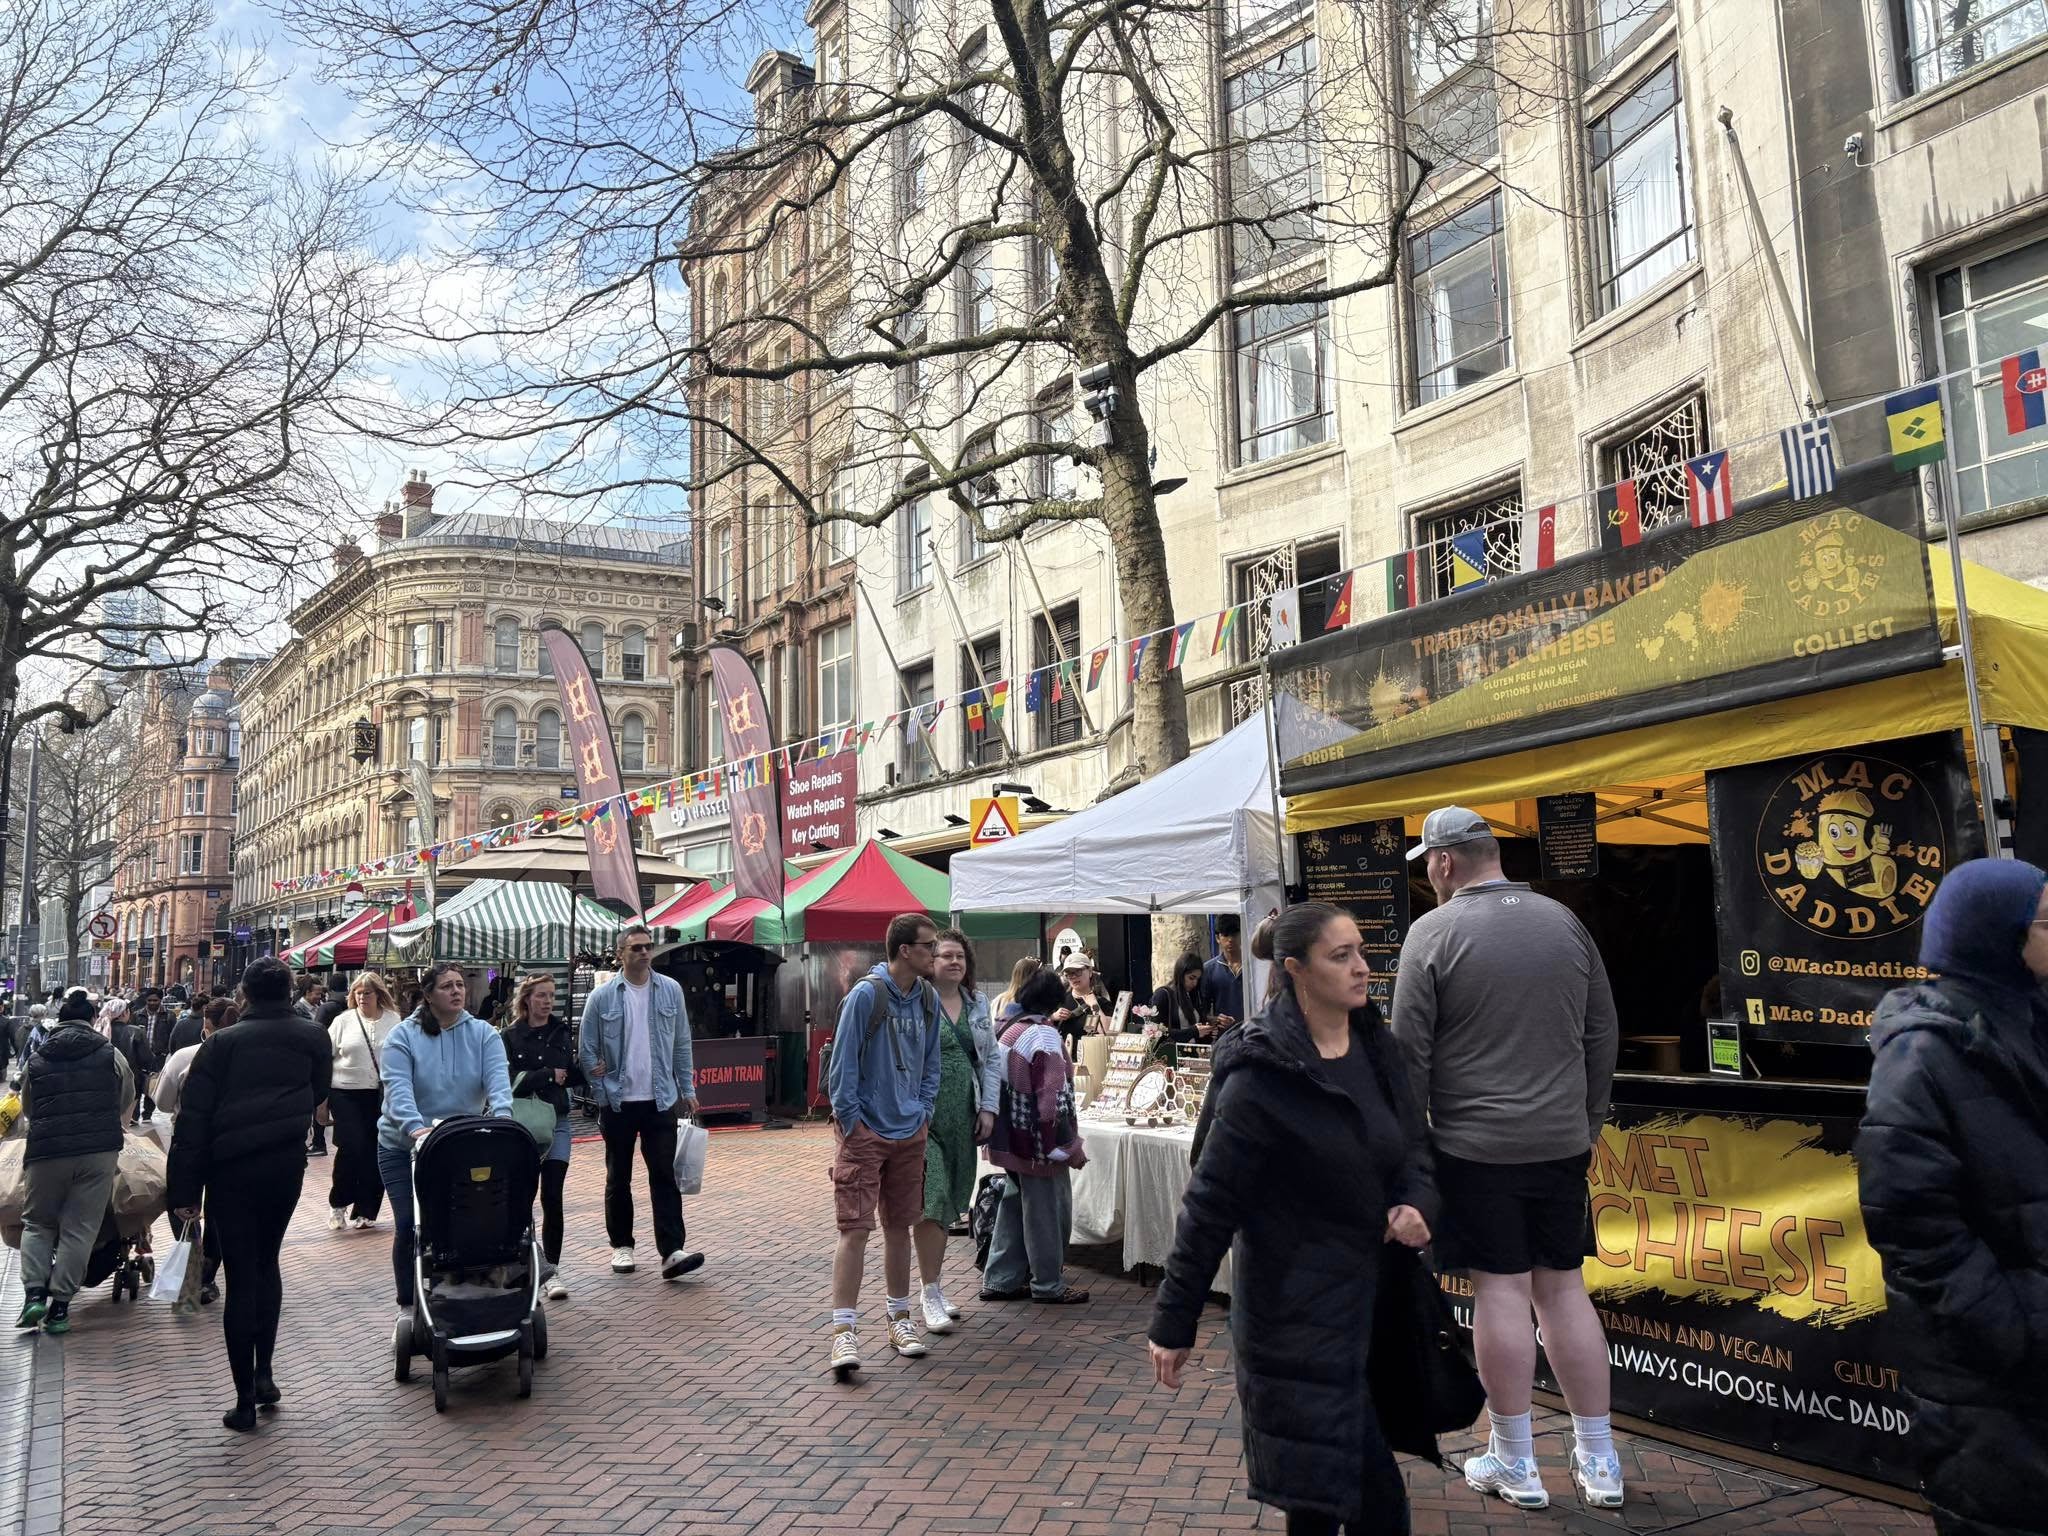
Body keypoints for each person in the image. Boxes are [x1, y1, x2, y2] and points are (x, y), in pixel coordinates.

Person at [1149, 903, 1440, 1536]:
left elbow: (1413, 1149)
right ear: (1295, 970)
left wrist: (1417, 1203)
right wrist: (1175, 1319)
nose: (1363, 968)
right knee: (1373, 1499)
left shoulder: (1376, 1046)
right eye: (1342, 956)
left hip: (1375, 1306)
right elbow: (1210, 1203)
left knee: (1316, 1499)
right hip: (1295, 1317)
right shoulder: (1261, 1075)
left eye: (1361, 951)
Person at [1390, 806, 1621, 1511]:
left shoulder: (1432, 932)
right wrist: (1585, 1121)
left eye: (1427, 864)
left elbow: (1408, 1055)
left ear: (1444, 862)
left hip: (1474, 1146)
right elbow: (1602, 1029)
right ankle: (1600, 1458)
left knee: (1500, 1291)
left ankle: (1515, 1459)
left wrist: (1412, 1149)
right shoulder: (1563, 922)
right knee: (1563, 1288)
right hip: (1559, 1143)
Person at [1857, 858, 2048, 1536]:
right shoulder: (1922, 1055)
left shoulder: (2030, 1020)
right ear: (1998, 935)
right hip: (1988, 1377)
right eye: (2047, 921)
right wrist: (2016, 1325)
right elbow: (1909, 1220)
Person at [166, 959, 330, 1432]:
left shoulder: (220, 1044)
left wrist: (184, 1191)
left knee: (240, 1273)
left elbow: (193, 1122)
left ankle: (242, 1399)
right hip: (284, 1166)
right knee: (267, 1262)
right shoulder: (312, 1037)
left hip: (231, 1170)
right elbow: (318, 1089)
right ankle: (264, 1375)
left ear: (245, 994)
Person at [824, 912, 944, 1378]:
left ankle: (899, 1318)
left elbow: (931, 1062)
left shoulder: (927, 998)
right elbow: (842, 1066)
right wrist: (854, 1125)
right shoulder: (866, 996)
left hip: (909, 1131)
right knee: (854, 1229)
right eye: (928, 946)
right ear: (904, 951)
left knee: (900, 1226)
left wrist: (922, 1112)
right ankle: (843, 1331)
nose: (934, 953)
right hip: (867, 1133)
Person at [377, 962, 514, 1319]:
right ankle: (407, 1304)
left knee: (466, 1219)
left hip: (459, 1145)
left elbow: (499, 1083)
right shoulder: (403, 1037)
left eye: (460, 985)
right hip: (405, 1145)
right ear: (427, 995)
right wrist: (414, 1128)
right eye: (446, 986)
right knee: (410, 1223)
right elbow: (397, 1091)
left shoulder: (484, 1034)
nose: (456, 991)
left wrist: (502, 1119)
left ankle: (464, 1287)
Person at [577, 926, 701, 1280]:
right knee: (619, 1176)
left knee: (664, 1175)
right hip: (618, 1101)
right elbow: (586, 1050)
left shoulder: (670, 990)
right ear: (621, 954)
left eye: (648, 947)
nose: (645, 953)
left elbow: (681, 1043)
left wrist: (686, 1087)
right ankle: (622, 1245)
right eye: (636, 948)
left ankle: (672, 1250)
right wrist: (601, 1089)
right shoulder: (602, 998)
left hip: (659, 1098)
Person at [13, 996, 134, 1335]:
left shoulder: (38, 1057)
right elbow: (125, 1098)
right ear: (93, 1018)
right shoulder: (111, 1054)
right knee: (80, 1228)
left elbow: (28, 1107)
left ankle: (34, 1293)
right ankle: (60, 1308)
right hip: (98, 1152)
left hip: (47, 1151)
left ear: (59, 1020)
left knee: (37, 1222)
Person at [981, 967, 1089, 1305]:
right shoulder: (1043, 1035)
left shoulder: (1009, 1030)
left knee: (1015, 1206)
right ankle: (1047, 1283)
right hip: (1037, 1144)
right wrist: (1068, 1146)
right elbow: (1053, 1102)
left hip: (1010, 1139)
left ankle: (1001, 1278)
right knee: (1048, 1211)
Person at [911, 930, 1000, 1335]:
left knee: (952, 1202)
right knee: (933, 1198)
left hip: (964, 1113)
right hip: (923, 1117)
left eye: (960, 956)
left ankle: (936, 1283)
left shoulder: (978, 1003)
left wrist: (988, 1108)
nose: (953, 962)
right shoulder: (916, 999)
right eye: (945, 955)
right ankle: (928, 1293)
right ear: (931, 962)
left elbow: (992, 1059)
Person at [503, 971, 583, 1301]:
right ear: (526, 999)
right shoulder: (509, 1036)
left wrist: (586, 1071)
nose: (548, 1001)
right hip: (521, 1123)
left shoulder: (561, 1032)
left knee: (553, 1195)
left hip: (557, 1121)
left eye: (551, 995)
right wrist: (548, 1074)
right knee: (521, 1198)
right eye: (541, 995)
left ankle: (551, 1270)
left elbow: (571, 1074)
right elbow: (508, 1081)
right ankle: (522, 1268)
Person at [325, 973, 401, 1232]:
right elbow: (327, 1058)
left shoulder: (393, 1021)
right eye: (357, 992)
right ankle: (338, 1203)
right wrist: (322, 1102)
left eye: (367, 993)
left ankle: (367, 1209)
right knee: (352, 1146)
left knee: (375, 1151)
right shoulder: (342, 1021)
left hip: (380, 1094)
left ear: (378, 995)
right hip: (345, 1092)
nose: (361, 997)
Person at [105, 1000, 157, 1127]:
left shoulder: (101, 1029)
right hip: (132, 1080)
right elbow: (147, 1058)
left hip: (106, 1080)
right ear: (125, 1013)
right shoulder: (136, 1032)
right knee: (128, 1121)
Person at [1052, 950, 1111, 1053]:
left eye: (1078, 971)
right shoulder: (1059, 1001)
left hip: (1093, 1061)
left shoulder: (1102, 1003)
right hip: (1066, 1063)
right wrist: (1054, 1017)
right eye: (1069, 974)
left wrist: (1094, 1006)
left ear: (1090, 971)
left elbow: (1106, 1032)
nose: (1073, 977)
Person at [297, 978, 331, 1156]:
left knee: (317, 1106)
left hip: (317, 1063)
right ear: (307, 992)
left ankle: (318, 1141)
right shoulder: (298, 1010)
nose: (320, 996)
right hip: (307, 1063)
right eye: (317, 993)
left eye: (321, 993)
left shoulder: (320, 1008)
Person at [1150, 952, 1214, 1045]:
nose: (1194, 983)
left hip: (1193, 1053)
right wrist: (1193, 1032)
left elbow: (1197, 1030)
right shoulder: (1163, 995)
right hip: (1171, 1055)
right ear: (1181, 973)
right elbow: (1156, 1032)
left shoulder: (1194, 995)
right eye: (1191, 978)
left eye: (1198, 979)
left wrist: (1209, 1027)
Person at [137, 989, 179, 1112]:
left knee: (153, 1084)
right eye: (149, 1000)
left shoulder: (169, 1016)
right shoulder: (138, 1015)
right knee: (138, 1084)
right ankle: (134, 1115)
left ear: (160, 1000)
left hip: (159, 1056)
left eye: (155, 1000)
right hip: (140, 1055)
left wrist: (166, 1052)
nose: (152, 1003)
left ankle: (147, 1113)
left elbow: (173, 1036)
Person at [1202, 916, 1245, 1028]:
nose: (1230, 939)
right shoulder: (1208, 969)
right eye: (1225, 935)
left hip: (1253, 1033)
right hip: (1224, 1036)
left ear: (1242, 934)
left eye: (1234, 934)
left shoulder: (1254, 966)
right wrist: (1216, 1019)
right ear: (1217, 938)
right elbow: (1202, 1011)